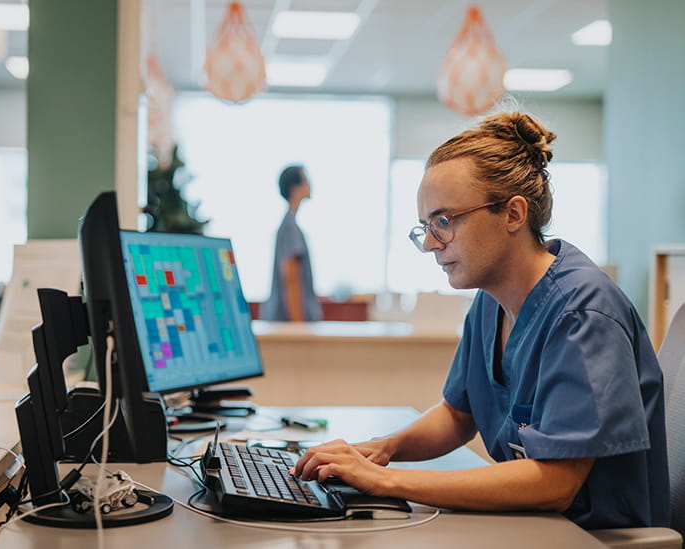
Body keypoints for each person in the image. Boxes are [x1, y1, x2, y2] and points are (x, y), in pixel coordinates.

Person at [291, 111, 670, 530]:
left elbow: (555, 482)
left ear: (513, 214)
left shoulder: (583, 312)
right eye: (426, 226)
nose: (431, 245)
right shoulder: (490, 302)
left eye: (445, 221)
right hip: (533, 524)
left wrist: (386, 480)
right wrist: (381, 450)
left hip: (592, 535)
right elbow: (457, 415)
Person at [260, 165, 322, 322]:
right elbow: (291, 279)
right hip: (289, 322)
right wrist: (298, 327)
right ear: (295, 188)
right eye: (306, 181)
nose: (310, 185)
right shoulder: (289, 227)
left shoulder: (290, 226)